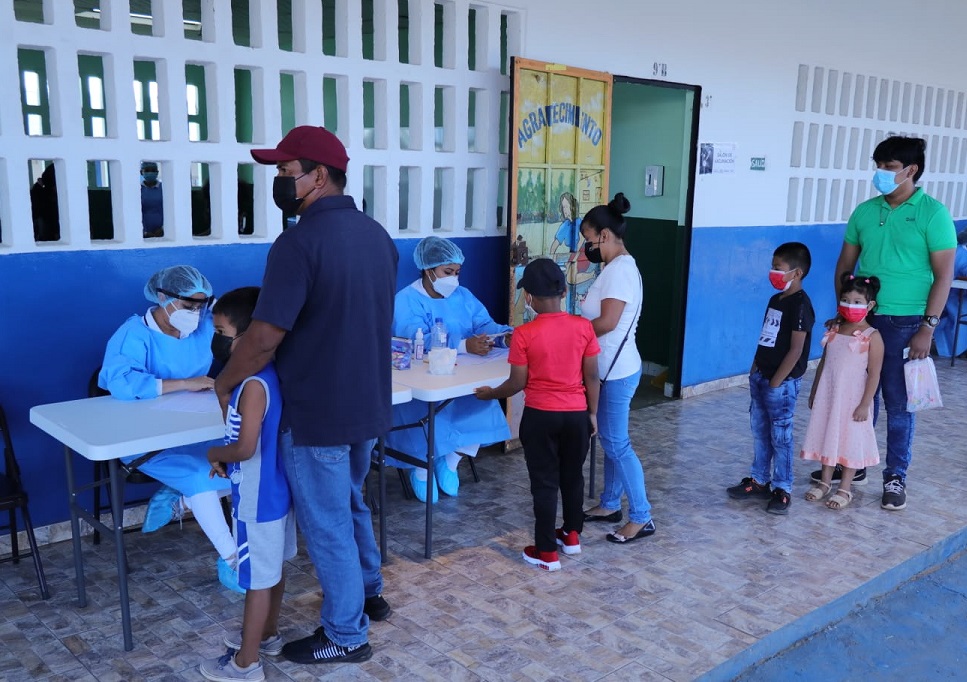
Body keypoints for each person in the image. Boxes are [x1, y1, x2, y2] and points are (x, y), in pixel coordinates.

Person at [215, 125, 397, 666]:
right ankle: (368, 591)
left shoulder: (298, 244)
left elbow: (265, 337)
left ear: (319, 176)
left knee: (327, 522)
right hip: (367, 403)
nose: (278, 182)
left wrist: (226, 382)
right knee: (349, 501)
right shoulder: (378, 236)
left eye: (285, 172)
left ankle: (346, 632)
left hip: (317, 410)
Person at [820, 136, 956, 511]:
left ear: (910, 170)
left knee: (897, 401)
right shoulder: (865, 212)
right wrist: (843, 310)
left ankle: (895, 475)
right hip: (862, 320)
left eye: (889, 167)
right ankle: (855, 460)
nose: (880, 174)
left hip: (905, 322)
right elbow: (845, 266)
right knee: (857, 395)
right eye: (878, 165)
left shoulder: (933, 213)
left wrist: (928, 326)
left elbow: (943, 275)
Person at [98, 265, 241, 592]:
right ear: (162, 297)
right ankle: (233, 561)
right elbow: (121, 383)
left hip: (196, 429)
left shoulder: (205, 326)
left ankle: (184, 501)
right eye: (189, 305)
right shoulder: (134, 334)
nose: (197, 313)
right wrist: (184, 384)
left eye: (202, 305)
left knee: (245, 463)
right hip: (145, 438)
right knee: (199, 477)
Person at [474, 258, 600, 571]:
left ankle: (545, 552)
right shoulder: (583, 328)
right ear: (562, 291)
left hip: (541, 417)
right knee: (573, 476)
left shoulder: (524, 334)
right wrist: (592, 413)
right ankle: (571, 537)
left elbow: (517, 383)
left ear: (528, 297)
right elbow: (592, 377)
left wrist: (490, 394)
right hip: (576, 415)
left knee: (544, 484)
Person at [200, 287, 295, 682]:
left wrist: (214, 455)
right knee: (271, 571)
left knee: (257, 580)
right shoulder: (260, 377)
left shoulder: (254, 386)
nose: (217, 340)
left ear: (248, 336)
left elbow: (244, 447)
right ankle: (267, 634)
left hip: (258, 499)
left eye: (222, 331)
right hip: (274, 493)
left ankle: (246, 662)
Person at [388, 235, 513, 503]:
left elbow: (483, 323)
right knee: (429, 411)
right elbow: (414, 338)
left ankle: (452, 460)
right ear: (428, 269)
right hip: (421, 378)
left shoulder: (463, 296)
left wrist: (503, 336)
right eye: (447, 272)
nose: (453, 279)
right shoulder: (406, 300)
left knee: (481, 399)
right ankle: (421, 469)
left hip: (461, 375)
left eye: (457, 273)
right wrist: (465, 345)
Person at [578, 193, 656, 543]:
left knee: (616, 443)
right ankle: (610, 503)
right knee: (610, 440)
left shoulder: (621, 271)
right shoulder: (615, 268)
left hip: (616, 371)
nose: (585, 247)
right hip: (610, 368)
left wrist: (569, 332)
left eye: (587, 239)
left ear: (604, 236)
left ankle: (642, 516)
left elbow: (608, 322)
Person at [727, 242, 814, 515]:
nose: (772, 272)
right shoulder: (775, 300)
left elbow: (796, 348)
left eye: (778, 268)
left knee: (781, 436)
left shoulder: (801, 305)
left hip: (782, 384)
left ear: (796, 273)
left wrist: (777, 380)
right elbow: (766, 336)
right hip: (761, 376)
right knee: (760, 432)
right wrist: (755, 368)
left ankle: (782, 488)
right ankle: (759, 480)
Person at [801, 275, 883, 511]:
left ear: (870, 305)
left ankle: (845, 488)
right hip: (829, 396)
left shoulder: (872, 337)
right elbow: (825, 362)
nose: (850, 305)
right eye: (846, 300)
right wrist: (815, 390)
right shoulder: (835, 330)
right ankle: (825, 482)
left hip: (853, 400)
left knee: (850, 441)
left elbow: (875, 374)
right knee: (829, 435)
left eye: (857, 301)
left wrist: (865, 404)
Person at [934, 229, 967, 358]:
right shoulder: (959, 252)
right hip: (951, 293)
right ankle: (952, 348)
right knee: (959, 311)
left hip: (959, 293)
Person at [140, 161, 164, 238]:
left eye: (153, 170)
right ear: (141, 172)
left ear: (157, 172)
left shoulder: (165, 188)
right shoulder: (137, 189)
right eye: (147, 170)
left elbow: (172, 210)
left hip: (162, 231)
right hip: (143, 233)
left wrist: (164, 228)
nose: (150, 172)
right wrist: (144, 231)